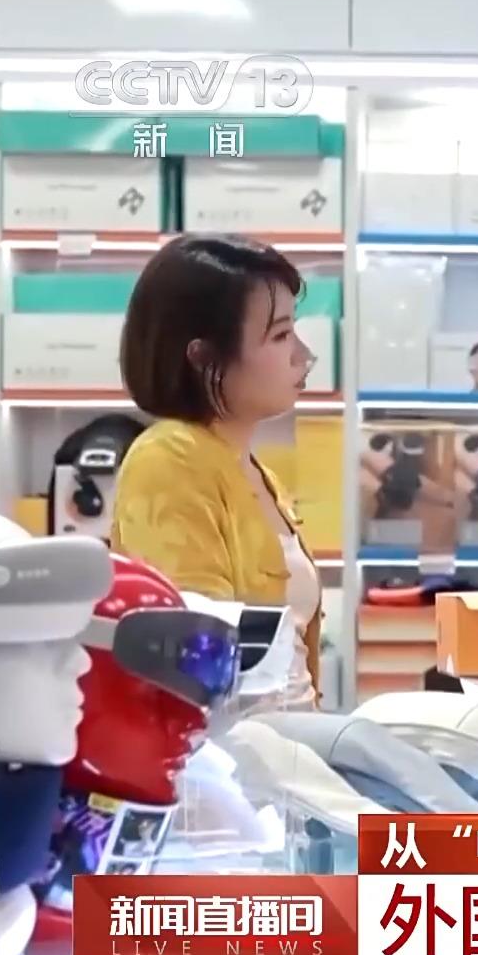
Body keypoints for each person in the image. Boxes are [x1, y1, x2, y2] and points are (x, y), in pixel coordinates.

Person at [112, 235, 322, 707]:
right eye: (280, 336)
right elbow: (195, 658)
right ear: (204, 356)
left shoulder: (256, 471)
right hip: (236, 745)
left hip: (290, 735)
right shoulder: (169, 459)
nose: (303, 354)